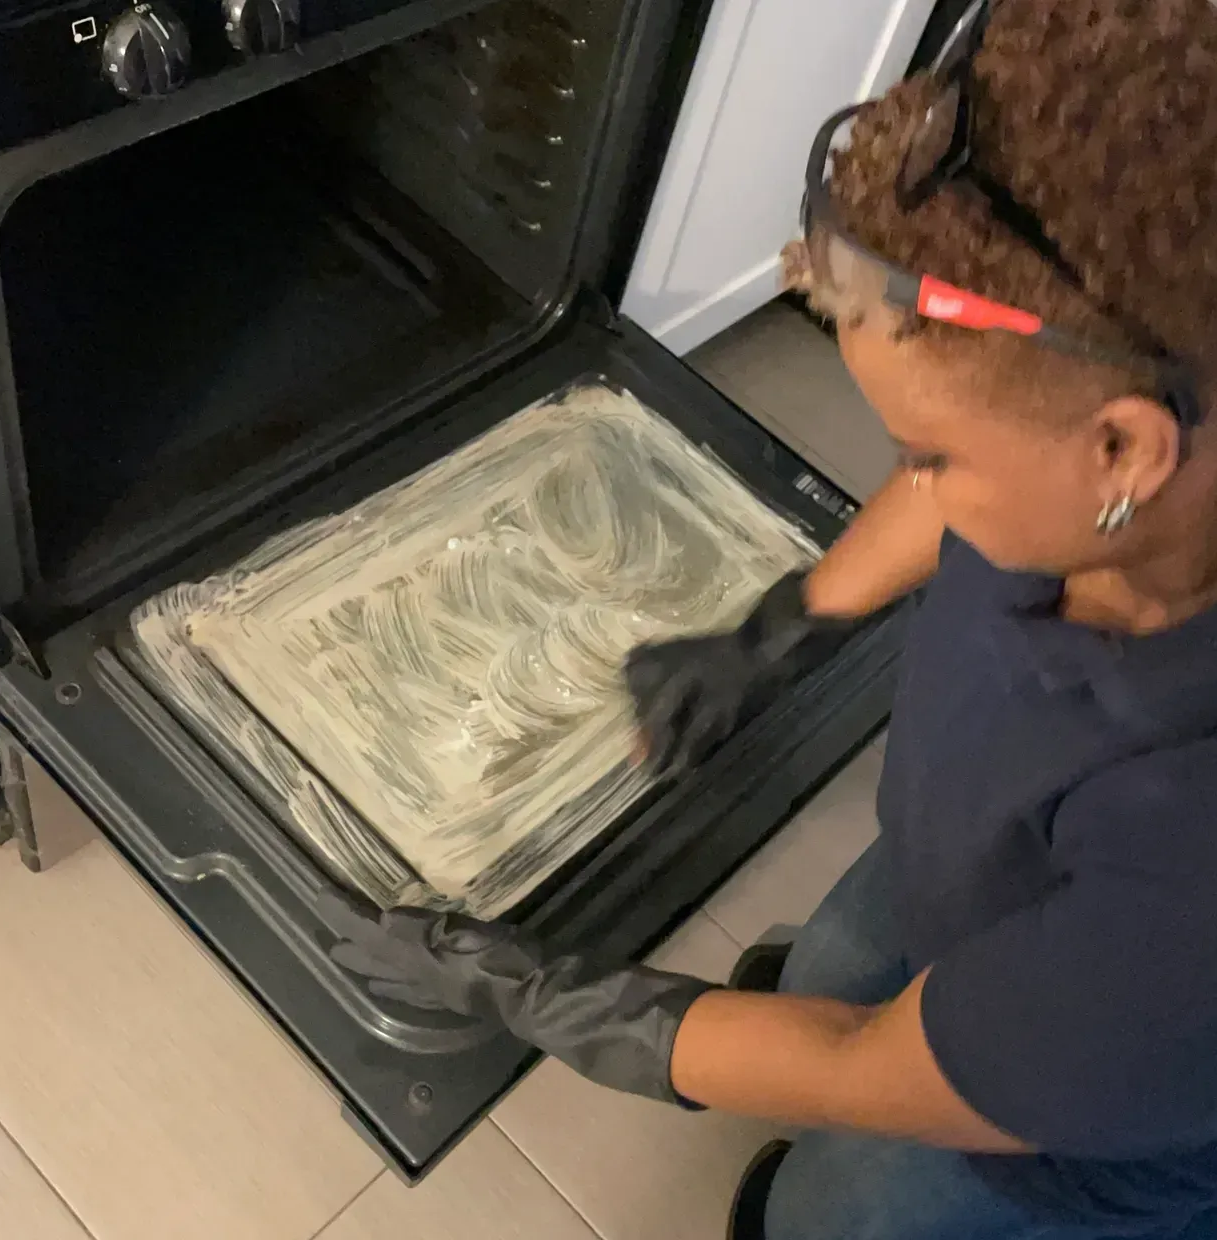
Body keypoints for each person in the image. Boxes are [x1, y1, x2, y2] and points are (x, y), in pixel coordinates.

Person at [317, 0, 1217, 1235]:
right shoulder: (1113, 477)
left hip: (1056, 1146)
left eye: (926, 452)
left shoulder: (1188, 869)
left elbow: (859, 1062)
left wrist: (550, 1000)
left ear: (1124, 449)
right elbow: (950, 505)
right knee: (841, 956)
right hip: (960, 865)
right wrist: (788, 620)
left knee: (834, 1203)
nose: (915, 481)